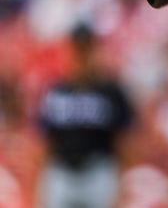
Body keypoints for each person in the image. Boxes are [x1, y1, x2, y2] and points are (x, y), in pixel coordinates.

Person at [36, 23, 135, 208]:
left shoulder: (111, 92)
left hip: (99, 171)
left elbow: (126, 142)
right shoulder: (56, 91)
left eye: (86, 48)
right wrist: (39, 182)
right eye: (77, 49)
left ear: (95, 50)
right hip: (61, 171)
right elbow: (43, 141)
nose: (82, 55)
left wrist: (123, 181)